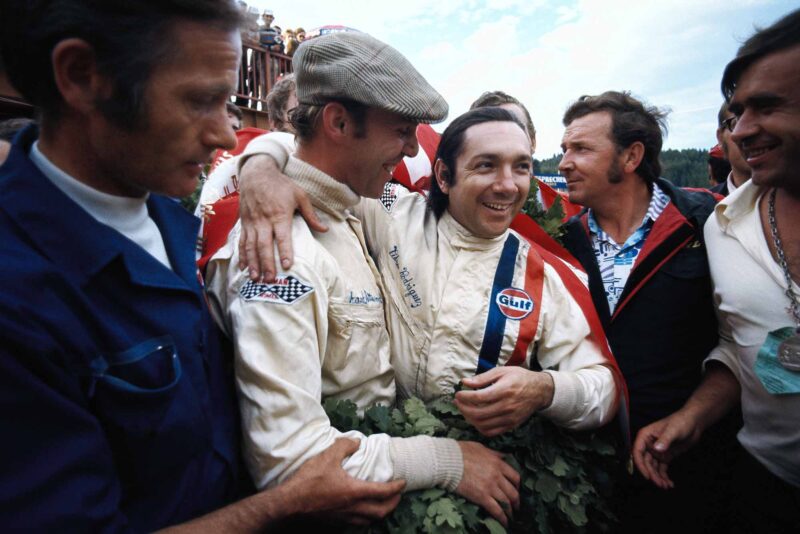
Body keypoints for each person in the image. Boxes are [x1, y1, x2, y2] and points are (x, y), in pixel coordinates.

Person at [0, 1, 405, 530]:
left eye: (230, 103)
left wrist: (265, 161)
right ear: (82, 77)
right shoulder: (17, 296)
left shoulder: (166, 215)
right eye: (200, 101)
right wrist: (285, 502)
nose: (223, 136)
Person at [204, 32, 521, 527]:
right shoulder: (281, 253)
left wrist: (261, 161)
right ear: (338, 121)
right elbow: (292, 466)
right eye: (401, 130)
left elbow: (292, 151)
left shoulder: (359, 209)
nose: (413, 148)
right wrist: (449, 462)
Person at [634, 8, 800, 532]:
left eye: (767, 107)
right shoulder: (723, 224)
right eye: (737, 111)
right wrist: (692, 418)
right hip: (764, 487)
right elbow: (739, 344)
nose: (742, 131)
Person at [558, 90, 739, 532]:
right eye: (564, 149)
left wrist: (689, 420)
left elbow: (742, 345)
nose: (563, 162)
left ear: (631, 156)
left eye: (581, 149)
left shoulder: (710, 221)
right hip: (594, 477)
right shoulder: (562, 241)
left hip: (695, 470)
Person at [712, 100, 751, 196]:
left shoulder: (792, 199)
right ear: (720, 137)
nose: (750, 132)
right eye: (737, 122)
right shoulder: (705, 206)